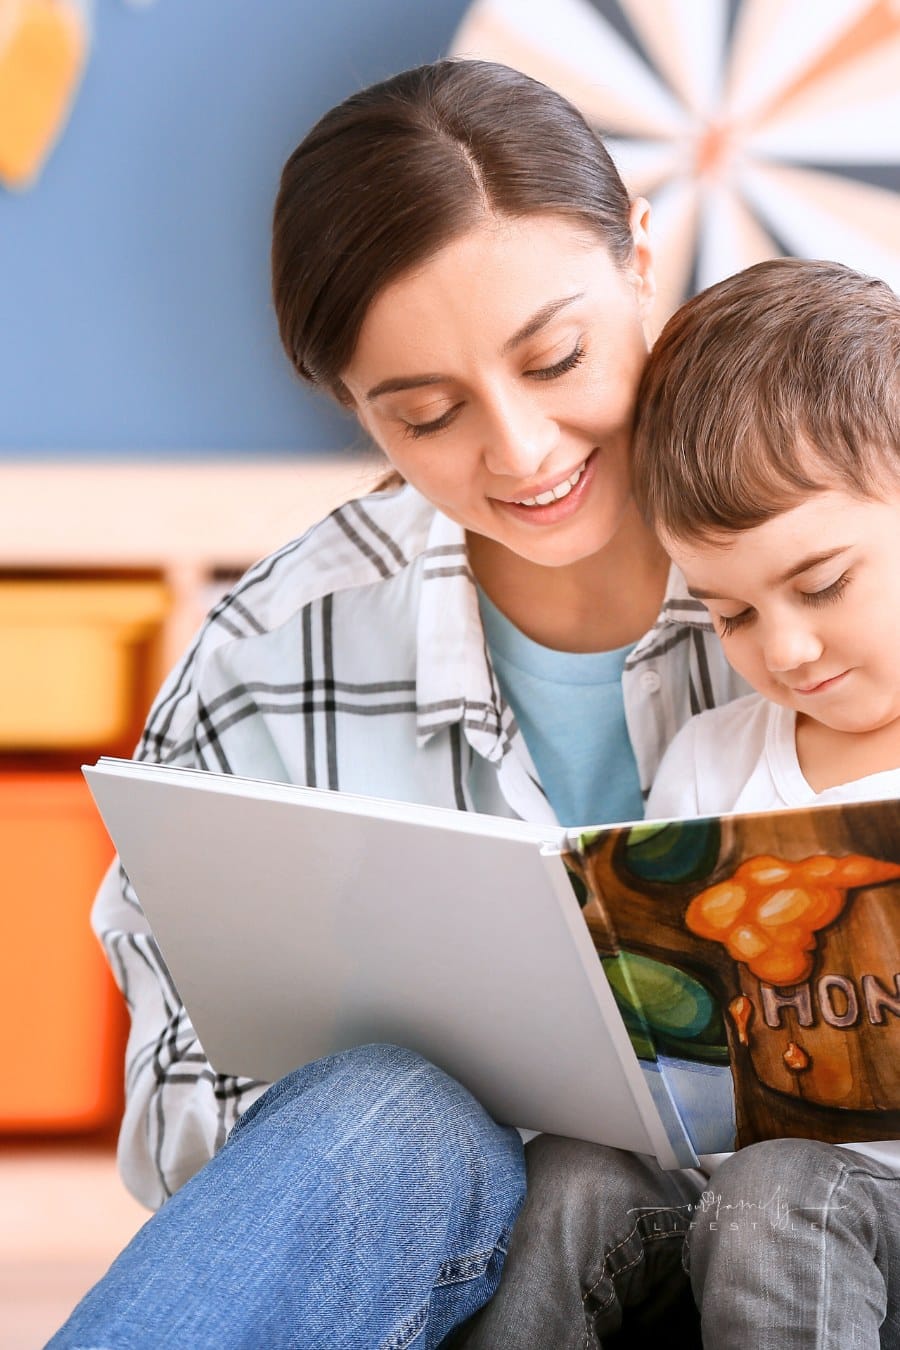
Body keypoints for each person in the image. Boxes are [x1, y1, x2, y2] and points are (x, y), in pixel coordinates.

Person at [48, 59, 749, 1350]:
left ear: (641, 253)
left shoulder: (845, 550)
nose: (524, 452)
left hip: (824, 1249)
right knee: (387, 1112)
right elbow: (184, 1128)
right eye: (426, 415)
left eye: (559, 357)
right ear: (354, 409)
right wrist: (465, 1093)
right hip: (465, 1279)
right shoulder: (269, 655)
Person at [632, 257, 900, 1348]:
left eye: (823, 584)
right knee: (561, 1180)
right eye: (731, 615)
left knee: (785, 1188)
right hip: (739, 1221)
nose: (783, 650)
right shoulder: (708, 763)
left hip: (836, 1221)